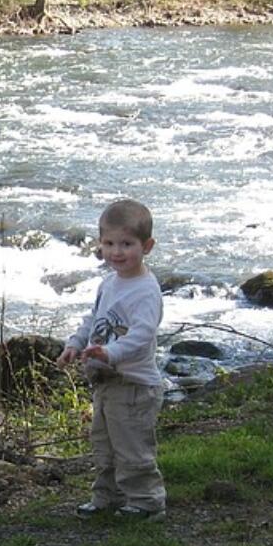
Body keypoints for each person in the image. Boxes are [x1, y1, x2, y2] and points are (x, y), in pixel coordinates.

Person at [56, 198, 166, 521]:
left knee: (132, 446)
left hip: (133, 384)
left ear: (147, 246)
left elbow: (143, 334)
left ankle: (147, 502)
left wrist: (111, 353)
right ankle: (107, 496)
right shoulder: (110, 282)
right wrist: (76, 344)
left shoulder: (146, 290)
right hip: (105, 381)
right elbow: (94, 321)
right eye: (109, 244)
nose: (117, 252)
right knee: (104, 444)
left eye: (127, 244)